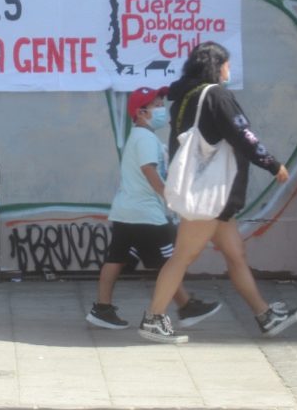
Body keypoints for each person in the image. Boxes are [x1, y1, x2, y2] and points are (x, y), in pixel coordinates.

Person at [138, 41, 297, 343]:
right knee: (182, 257)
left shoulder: (185, 98)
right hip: (210, 195)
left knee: (236, 254)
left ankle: (265, 315)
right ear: (216, 66)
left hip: (210, 194)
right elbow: (243, 135)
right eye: (226, 63)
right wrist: (272, 164)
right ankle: (154, 317)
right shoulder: (216, 96)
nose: (229, 69)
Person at [87, 86, 220, 330]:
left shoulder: (140, 137)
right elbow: (149, 170)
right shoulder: (146, 139)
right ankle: (186, 307)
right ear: (141, 113)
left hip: (127, 210)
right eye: (156, 106)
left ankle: (102, 308)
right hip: (146, 214)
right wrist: (169, 197)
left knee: (116, 259)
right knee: (170, 262)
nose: (161, 109)